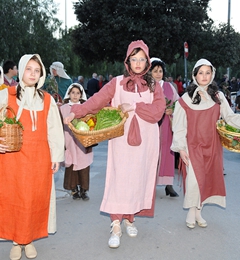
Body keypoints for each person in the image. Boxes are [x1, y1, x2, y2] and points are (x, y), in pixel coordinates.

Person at [64, 40, 166, 248]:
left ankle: (130, 218)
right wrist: (76, 112)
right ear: (127, 61)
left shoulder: (154, 85)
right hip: (122, 139)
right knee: (120, 178)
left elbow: (158, 111)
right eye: (133, 59)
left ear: (147, 61)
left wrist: (135, 106)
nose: (137, 63)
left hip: (147, 140)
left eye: (142, 59)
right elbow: (97, 101)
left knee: (139, 177)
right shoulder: (117, 82)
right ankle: (116, 223)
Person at [0, 54, 64, 260]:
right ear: (20, 70)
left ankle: (28, 240)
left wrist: (56, 156)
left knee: (34, 199)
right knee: (15, 199)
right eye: (29, 69)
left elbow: (54, 129)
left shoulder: (47, 100)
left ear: (41, 74)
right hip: (12, 158)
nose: (33, 74)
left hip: (39, 158)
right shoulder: (6, 95)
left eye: (37, 70)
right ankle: (17, 241)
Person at [170, 58, 240, 229]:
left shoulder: (218, 96)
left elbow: (229, 117)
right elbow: (179, 127)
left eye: (207, 72)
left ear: (212, 75)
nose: (204, 76)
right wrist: (181, 148)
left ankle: (198, 212)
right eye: (200, 72)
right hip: (193, 146)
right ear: (195, 75)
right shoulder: (185, 100)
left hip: (213, 147)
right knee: (194, 179)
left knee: (206, 179)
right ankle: (191, 211)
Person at [150, 57, 179, 197]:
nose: (158, 74)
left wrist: (172, 110)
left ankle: (169, 184)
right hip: (150, 124)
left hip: (166, 124)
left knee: (167, 153)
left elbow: (178, 103)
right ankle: (148, 184)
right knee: (150, 154)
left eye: (160, 71)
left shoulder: (169, 87)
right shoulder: (145, 87)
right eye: (155, 71)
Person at [60, 83, 93, 200]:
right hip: (69, 141)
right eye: (73, 92)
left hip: (82, 143)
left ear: (81, 95)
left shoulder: (84, 109)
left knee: (84, 166)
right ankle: (74, 190)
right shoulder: (63, 109)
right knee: (71, 165)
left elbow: (91, 123)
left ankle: (84, 190)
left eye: (78, 93)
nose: (75, 95)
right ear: (69, 94)